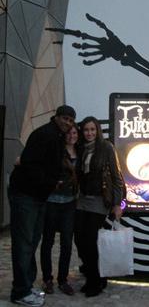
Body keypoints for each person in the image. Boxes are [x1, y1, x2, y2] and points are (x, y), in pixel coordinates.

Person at [8, 105, 76, 307]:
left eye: (71, 120)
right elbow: (29, 165)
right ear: (56, 117)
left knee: (31, 242)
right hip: (26, 196)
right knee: (23, 244)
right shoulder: (45, 135)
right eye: (64, 118)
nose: (67, 123)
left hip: (36, 197)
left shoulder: (55, 137)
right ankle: (20, 292)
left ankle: (26, 287)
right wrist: (51, 183)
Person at [74, 116, 124, 298]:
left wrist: (118, 203)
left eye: (93, 129)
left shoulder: (106, 148)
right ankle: (95, 276)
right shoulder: (80, 148)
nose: (89, 133)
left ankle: (95, 281)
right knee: (79, 239)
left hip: (98, 200)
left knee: (90, 241)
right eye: (86, 130)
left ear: (98, 131)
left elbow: (117, 177)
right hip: (82, 199)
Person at [40, 124, 79, 296]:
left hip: (70, 203)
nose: (72, 135)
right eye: (69, 132)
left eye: (75, 132)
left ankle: (62, 280)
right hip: (52, 201)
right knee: (48, 241)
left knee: (66, 243)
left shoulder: (80, 151)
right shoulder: (57, 151)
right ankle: (47, 279)